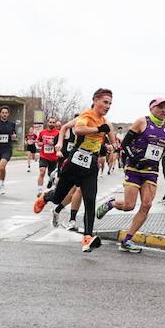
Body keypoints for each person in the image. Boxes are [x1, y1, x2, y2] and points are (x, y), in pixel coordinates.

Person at [33, 89, 117, 253]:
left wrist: (110, 146)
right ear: (95, 100)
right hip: (74, 163)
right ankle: (47, 196)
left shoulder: (107, 122)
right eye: (105, 102)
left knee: (90, 200)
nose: (108, 106)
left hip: (91, 165)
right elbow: (78, 130)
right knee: (58, 198)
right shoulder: (86, 116)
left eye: (110, 104)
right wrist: (98, 129)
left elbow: (113, 143)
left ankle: (87, 238)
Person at [96, 98, 165, 253]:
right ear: (152, 108)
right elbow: (124, 145)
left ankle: (127, 240)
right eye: (160, 107)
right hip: (134, 169)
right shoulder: (141, 122)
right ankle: (111, 204)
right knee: (129, 205)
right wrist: (135, 160)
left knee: (146, 205)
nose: (164, 110)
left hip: (151, 171)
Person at [35, 117, 62, 192]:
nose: (52, 124)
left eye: (53, 122)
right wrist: (43, 143)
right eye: (50, 122)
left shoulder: (58, 133)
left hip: (54, 158)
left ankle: (51, 184)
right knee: (42, 171)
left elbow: (60, 144)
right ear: (47, 123)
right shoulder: (42, 132)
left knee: (51, 175)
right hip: (44, 156)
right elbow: (38, 142)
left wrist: (53, 143)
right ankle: (40, 190)